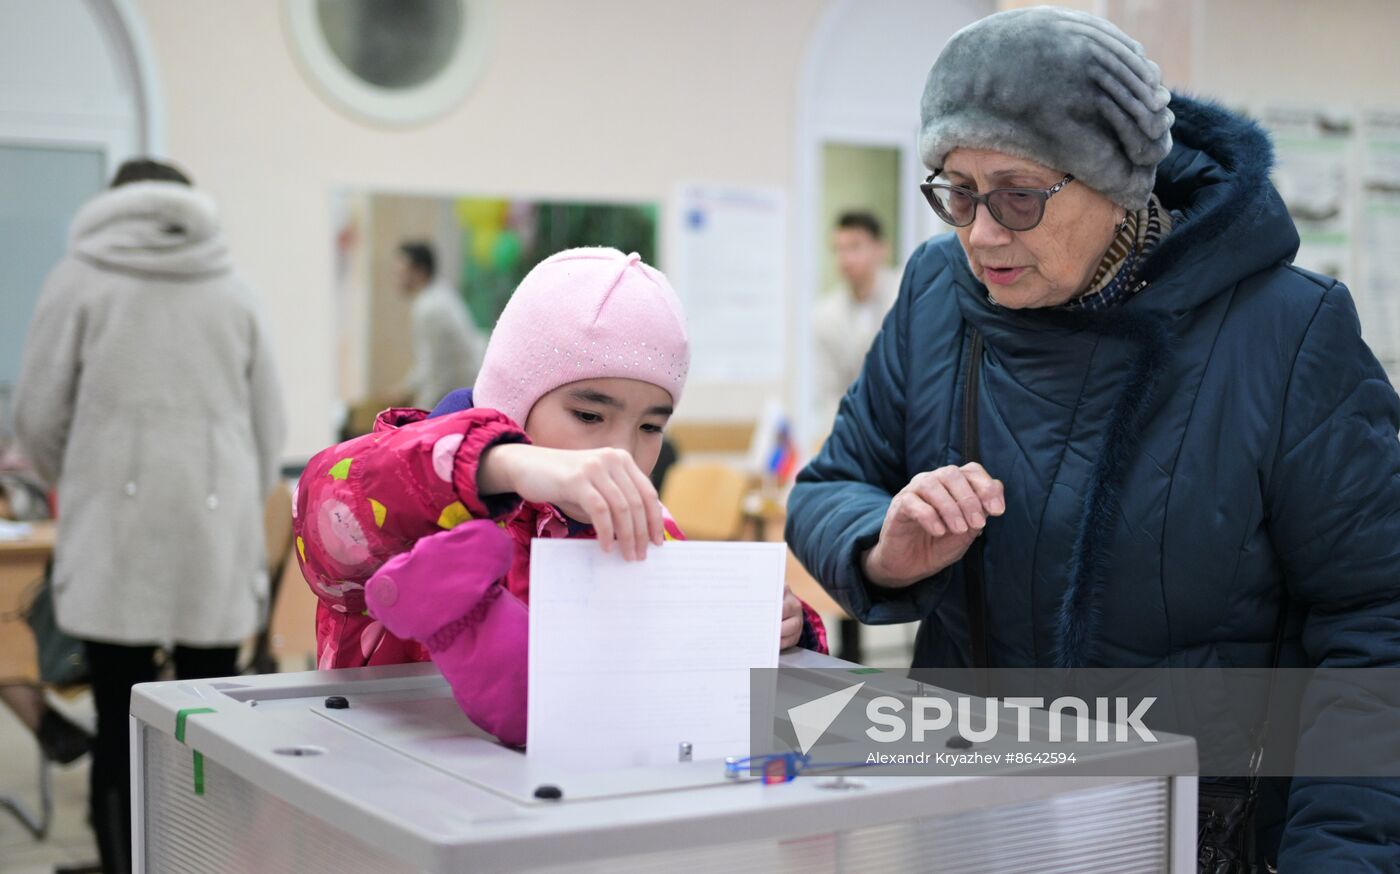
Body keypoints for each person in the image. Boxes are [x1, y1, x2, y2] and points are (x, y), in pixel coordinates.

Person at [785, 8, 1400, 870]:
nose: (981, 233)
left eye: (1018, 194)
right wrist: (885, 549)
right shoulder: (934, 296)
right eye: (955, 191)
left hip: (1196, 834)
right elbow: (827, 487)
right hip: (963, 818)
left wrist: (1340, 855)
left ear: (1117, 183)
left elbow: (1376, 622)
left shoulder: (1285, 333)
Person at [295, 248, 827, 745]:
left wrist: (779, 631)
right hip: (384, 794)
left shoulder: (646, 524)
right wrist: (506, 461)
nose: (620, 451)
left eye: (649, 427)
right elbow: (326, 506)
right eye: (590, 416)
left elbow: (692, 691)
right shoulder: (415, 494)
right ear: (513, 396)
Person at [13, 158, 286, 873]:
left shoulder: (78, 280)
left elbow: (36, 421)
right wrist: (225, 504)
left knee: (118, 724)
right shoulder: (235, 288)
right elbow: (269, 432)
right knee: (206, 727)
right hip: (213, 546)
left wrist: (86, 480)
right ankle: (197, 861)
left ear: (114, 205)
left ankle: (123, 864)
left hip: (113, 544)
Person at [813, 211, 899, 428]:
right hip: (857, 431)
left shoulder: (905, 295)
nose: (845, 259)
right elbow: (831, 392)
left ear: (881, 249)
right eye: (838, 249)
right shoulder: (826, 315)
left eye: (854, 247)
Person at [394, 240, 486, 410]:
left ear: (419, 272)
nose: (397, 277)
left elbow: (437, 375)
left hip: (465, 395)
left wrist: (418, 417)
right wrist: (405, 389)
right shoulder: (439, 294)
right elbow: (426, 365)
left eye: (402, 271)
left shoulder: (430, 309)